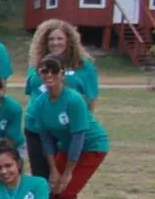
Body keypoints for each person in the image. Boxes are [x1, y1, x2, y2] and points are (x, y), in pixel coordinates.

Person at [26, 55, 108, 199]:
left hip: (91, 146)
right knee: (52, 190)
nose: (49, 75)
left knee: (67, 192)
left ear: (62, 74)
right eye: (44, 71)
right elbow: (45, 138)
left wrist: (67, 173)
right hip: (66, 147)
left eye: (54, 70)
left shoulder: (73, 99)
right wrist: (54, 170)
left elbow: (79, 137)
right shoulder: (40, 103)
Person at [23, 19, 99, 179]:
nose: (55, 43)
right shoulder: (37, 64)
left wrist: (81, 125)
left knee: (62, 178)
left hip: (64, 130)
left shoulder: (83, 66)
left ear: (69, 41)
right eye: (51, 39)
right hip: (36, 128)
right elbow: (31, 92)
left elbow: (90, 100)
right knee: (41, 177)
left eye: (59, 39)